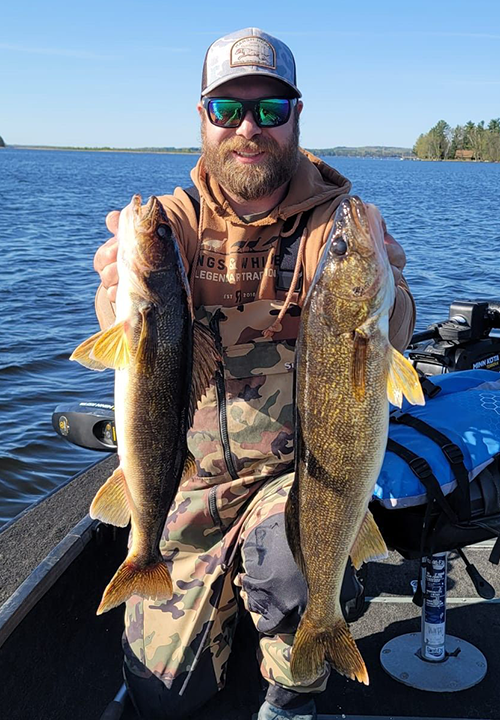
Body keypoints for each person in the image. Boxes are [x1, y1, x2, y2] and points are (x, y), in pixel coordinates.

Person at [93, 27, 415, 720]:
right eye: (227, 109)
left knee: (294, 565)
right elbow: (131, 308)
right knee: (162, 697)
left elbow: (390, 330)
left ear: (297, 115)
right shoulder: (175, 220)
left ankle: (295, 682)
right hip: (191, 479)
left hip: (293, 479)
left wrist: (389, 289)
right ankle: (210, 622)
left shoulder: (336, 224)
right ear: (202, 118)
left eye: (270, 110)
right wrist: (117, 289)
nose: (249, 128)